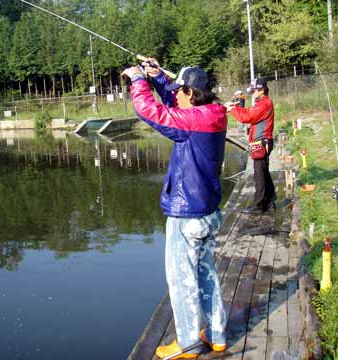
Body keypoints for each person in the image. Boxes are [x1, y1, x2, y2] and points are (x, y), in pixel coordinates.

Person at [122, 62, 228, 359]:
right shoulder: (214, 114)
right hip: (208, 212)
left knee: (182, 280)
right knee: (207, 274)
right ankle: (217, 335)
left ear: (191, 93)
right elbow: (174, 107)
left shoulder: (192, 121)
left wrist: (138, 80)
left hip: (187, 216)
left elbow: (150, 111)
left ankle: (188, 344)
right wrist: (158, 76)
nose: (175, 96)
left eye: (179, 91)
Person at [226, 78, 276, 214]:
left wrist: (233, 110)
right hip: (261, 142)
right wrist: (236, 108)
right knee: (263, 172)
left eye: (254, 90)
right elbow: (249, 112)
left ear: (261, 90)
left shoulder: (264, 104)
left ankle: (258, 205)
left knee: (259, 174)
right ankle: (270, 201)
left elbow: (248, 117)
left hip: (262, 143)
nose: (252, 93)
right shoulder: (262, 103)